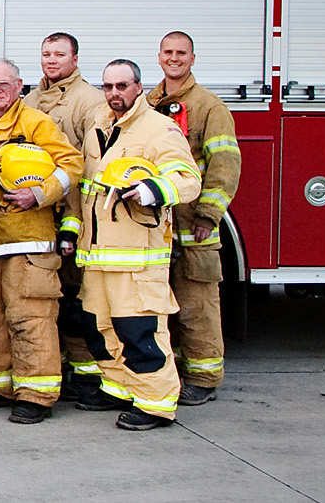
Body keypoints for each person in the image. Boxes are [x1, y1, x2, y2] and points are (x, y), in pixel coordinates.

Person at [66, 59, 201, 430]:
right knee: (101, 328)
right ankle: (118, 387)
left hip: (138, 259)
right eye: (108, 86)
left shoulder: (159, 129)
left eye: (122, 86)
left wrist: (153, 190)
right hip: (98, 256)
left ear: (139, 87)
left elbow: (188, 178)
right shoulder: (100, 126)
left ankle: (156, 403)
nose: (114, 94)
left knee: (140, 333)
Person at [0, 59, 81, 424]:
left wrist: (38, 194)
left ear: (19, 87)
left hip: (27, 245)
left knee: (30, 318)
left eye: (4, 85)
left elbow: (72, 165)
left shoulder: (35, 123)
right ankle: (2, 386)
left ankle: (37, 394)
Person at [144, 31, 241, 407]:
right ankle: (174, 371)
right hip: (156, 225)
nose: (174, 58)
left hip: (193, 224)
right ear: (159, 57)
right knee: (160, 306)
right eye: (168, 52)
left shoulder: (209, 106)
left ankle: (203, 377)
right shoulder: (149, 102)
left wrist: (209, 214)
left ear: (192, 58)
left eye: (181, 53)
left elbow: (225, 164)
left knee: (197, 305)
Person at [23, 31, 109, 400]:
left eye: (59, 54)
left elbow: (93, 161)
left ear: (75, 59)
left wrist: (80, 221)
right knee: (48, 297)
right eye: (46, 54)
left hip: (73, 209)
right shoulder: (31, 99)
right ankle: (59, 366)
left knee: (77, 296)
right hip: (38, 208)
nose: (51, 60)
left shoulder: (90, 100)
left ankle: (89, 373)